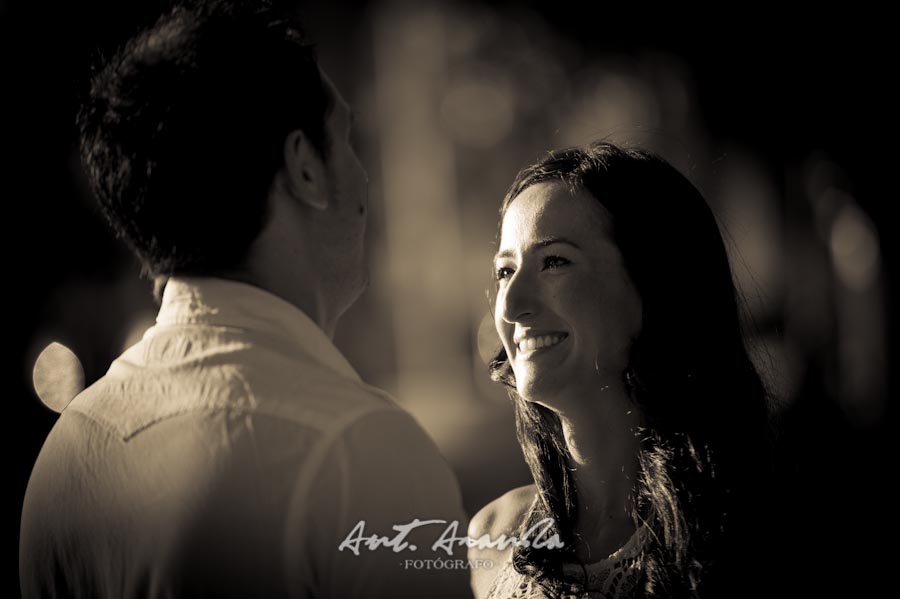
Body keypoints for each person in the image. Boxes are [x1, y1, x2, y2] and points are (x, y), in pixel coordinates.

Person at [19, 1, 470, 597]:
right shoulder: (361, 452)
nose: (364, 178)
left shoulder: (68, 457)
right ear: (305, 167)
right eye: (347, 139)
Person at [468, 142, 773, 598]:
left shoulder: (762, 524)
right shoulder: (492, 536)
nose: (511, 307)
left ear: (656, 286)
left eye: (555, 262)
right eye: (505, 272)